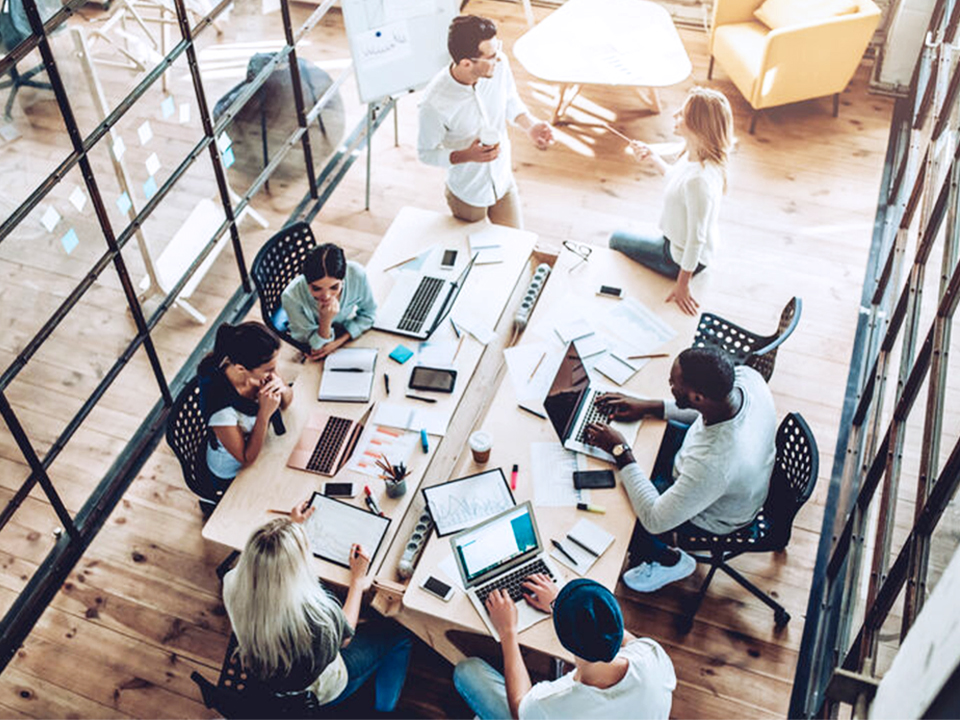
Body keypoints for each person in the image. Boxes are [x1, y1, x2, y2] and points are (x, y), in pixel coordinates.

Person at [584, 347, 776, 592]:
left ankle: (668, 559)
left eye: (674, 385)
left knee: (623, 511)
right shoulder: (746, 378)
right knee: (643, 451)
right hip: (710, 464)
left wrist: (620, 450)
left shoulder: (715, 464)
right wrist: (648, 407)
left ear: (697, 398)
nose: (670, 385)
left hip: (714, 514)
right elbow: (703, 412)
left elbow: (655, 520)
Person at [222, 500, 412, 711]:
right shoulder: (315, 617)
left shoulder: (231, 583)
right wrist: (357, 580)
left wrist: (291, 528)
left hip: (267, 676)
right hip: (321, 690)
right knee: (400, 635)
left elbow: (269, 565)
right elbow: (346, 636)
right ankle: (385, 709)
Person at [453, 577, 676, 719]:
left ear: (564, 639)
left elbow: (520, 708)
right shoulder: (652, 654)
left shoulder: (554, 703)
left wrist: (508, 632)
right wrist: (562, 604)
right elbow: (614, 631)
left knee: (467, 671)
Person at [417, 14, 554, 230]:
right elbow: (426, 153)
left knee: (516, 245)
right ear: (466, 63)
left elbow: (509, 100)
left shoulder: (499, 65)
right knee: (476, 256)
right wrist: (466, 156)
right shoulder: (433, 104)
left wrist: (531, 126)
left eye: (496, 49)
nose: (497, 58)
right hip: (467, 194)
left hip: (503, 181)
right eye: (490, 56)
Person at [609, 87, 734, 315]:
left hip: (676, 258)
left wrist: (682, 285)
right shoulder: (698, 154)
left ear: (697, 126)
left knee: (615, 239)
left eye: (682, 114)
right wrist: (652, 157)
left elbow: (696, 240)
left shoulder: (699, 182)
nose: (675, 115)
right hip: (680, 244)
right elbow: (677, 180)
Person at [197, 321, 292, 490]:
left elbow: (287, 402)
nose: (273, 372)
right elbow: (246, 458)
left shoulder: (258, 367)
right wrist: (264, 414)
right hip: (232, 472)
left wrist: (281, 386)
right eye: (270, 370)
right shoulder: (222, 410)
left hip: (262, 445)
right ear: (241, 368)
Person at [281, 242, 377, 360]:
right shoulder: (291, 297)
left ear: (343, 279)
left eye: (334, 287)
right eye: (316, 288)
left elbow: (370, 314)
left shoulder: (356, 274)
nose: (326, 296)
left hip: (340, 336)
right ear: (306, 281)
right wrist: (325, 320)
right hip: (315, 342)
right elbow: (314, 347)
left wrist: (338, 342)